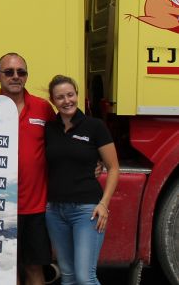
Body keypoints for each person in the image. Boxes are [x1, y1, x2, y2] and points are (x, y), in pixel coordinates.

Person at [44, 75, 119, 285]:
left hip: (87, 211)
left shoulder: (95, 127)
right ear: (53, 100)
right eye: (60, 97)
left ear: (77, 95)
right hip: (54, 211)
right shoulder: (49, 130)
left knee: (85, 277)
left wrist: (104, 204)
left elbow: (113, 168)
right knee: (67, 277)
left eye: (70, 95)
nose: (67, 101)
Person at [0, 53, 55, 285]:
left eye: (21, 72)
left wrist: (92, 161)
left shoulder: (42, 108)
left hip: (34, 207)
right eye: (9, 72)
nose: (15, 76)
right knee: (7, 272)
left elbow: (62, 144)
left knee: (33, 269)